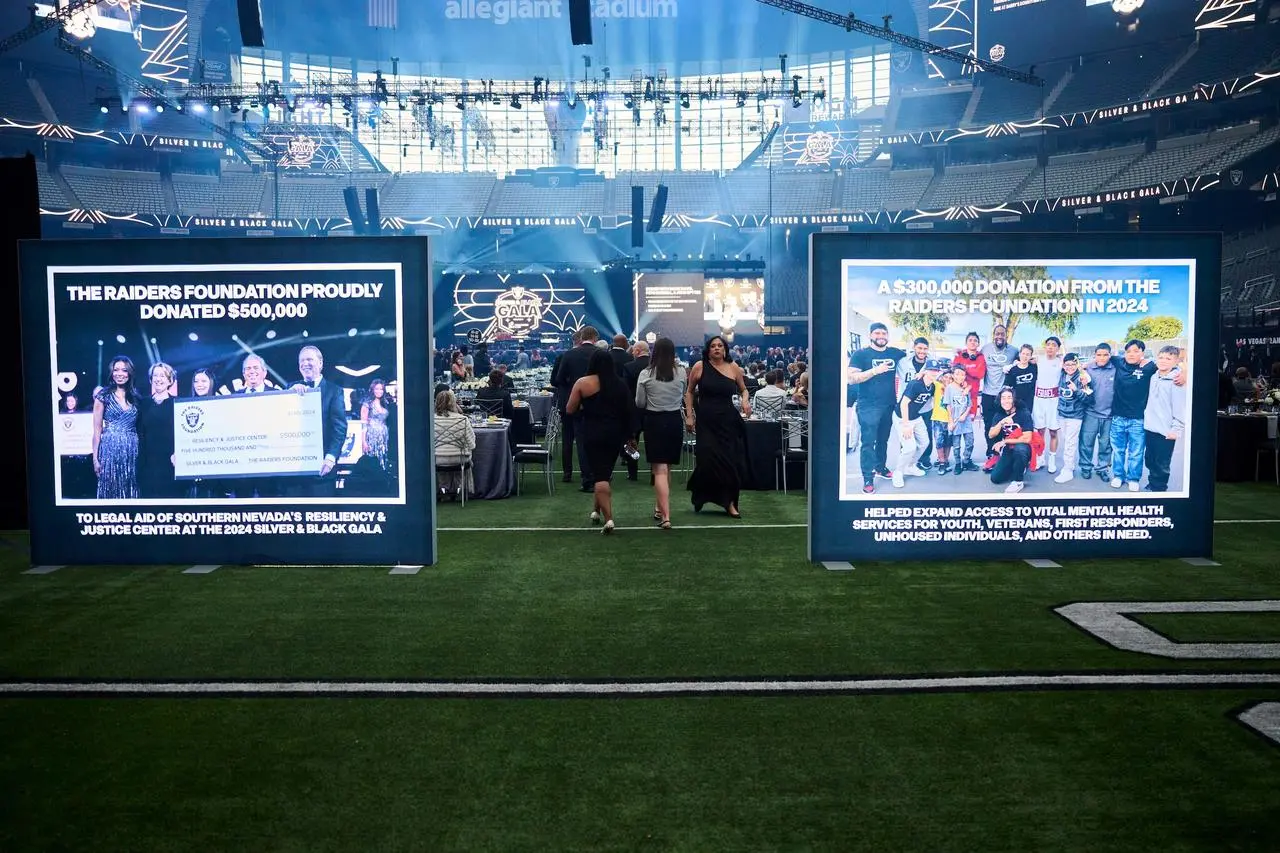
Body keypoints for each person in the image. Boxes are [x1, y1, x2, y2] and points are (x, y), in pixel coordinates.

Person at [567, 349, 632, 535]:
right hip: (615, 434)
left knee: (600, 476)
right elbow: (628, 412)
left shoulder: (583, 383)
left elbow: (569, 409)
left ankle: (609, 518)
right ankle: (596, 511)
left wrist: (583, 407)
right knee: (604, 471)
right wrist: (630, 436)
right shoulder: (619, 384)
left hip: (592, 432)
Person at [685, 335, 751, 517]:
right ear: (708, 349)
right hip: (706, 421)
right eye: (713, 346)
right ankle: (701, 494)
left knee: (729, 462)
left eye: (720, 346)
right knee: (706, 460)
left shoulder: (733, 367)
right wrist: (690, 416)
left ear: (725, 349)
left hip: (728, 421)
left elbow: (743, 389)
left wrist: (745, 401)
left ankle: (729, 503)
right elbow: (689, 393)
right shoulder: (700, 367)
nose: (716, 348)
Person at [847, 322, 906, 493]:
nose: (881, 336)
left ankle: (880, 467)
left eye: (884, 333)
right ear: (870, 335)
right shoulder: (861, 354)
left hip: (888, 404)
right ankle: (867, 478)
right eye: (877, 333)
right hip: (868, 406)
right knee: (868, 443)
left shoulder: (894, 353)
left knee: (883, 440)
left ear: (888, 336)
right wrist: (875, 371)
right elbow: (851, 378)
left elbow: (913, 360)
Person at [635, 337, 686, 529]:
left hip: (654, 422)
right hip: (673, 421)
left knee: (659, 469)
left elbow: (639, 403)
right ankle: (659, 507)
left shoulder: (646, 373)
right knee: (667, 468)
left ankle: (665, 515)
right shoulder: (681, 372)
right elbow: (682, 394)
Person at [286, 345, 349, 498]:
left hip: (322, 469)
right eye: (302, 360)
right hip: (294, 471)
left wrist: (330, 458)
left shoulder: (335, 391)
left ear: (320, 363)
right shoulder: (290, 388)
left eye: (309, 359)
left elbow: (339, 429)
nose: (305, 363)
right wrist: (288, 396)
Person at [552, 326, 601, 492]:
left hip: (570, 403)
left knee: (569, 438)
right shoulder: (600, 354)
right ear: (594, 338)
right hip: (595, 403)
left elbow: (558, 379)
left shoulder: (569, 355)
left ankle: (569, 473)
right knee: (592, 440)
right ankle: (594, 476)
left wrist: (573, 386)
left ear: (581, 337)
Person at [1108, 339, 1159, 492]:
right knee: (1118, 450)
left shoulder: (1150, 366)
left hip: (1138, 419)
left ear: (1142, 353)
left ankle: (1133, 478)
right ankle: (1118, 476)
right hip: (1118, 417)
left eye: (1136, 351)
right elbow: (1099, 358)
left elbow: (1172, 367)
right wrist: (1084, 366)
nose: (1131, 354)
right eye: (1129, 351)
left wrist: (1181, 374)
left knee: (1136, 452)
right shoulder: (1119, 362)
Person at [892, 358, 945, 488]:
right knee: (910, 447)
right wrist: (905, 425)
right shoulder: (915, 384)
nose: (934, 372)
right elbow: (904, 403)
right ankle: (898, 472)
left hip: (916, 417)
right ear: (925, 370)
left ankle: (910, 466)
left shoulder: (932, 386)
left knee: (925, 443)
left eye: (936, 370)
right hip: (902, 417)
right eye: (931, 370)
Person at [92, 355, 140, 500]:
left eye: (124, 370)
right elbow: (97, 430)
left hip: (132, 450)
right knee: (110, 487)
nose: (120, 374)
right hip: (109, 449)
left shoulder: (135, 396)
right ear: (111, 373)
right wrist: (95, 458)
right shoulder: (103, 396)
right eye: (116, 370)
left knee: (130, 487)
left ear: (129, 373)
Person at [1143, 346, 1187, 493]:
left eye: (1168, 358)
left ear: (1175, 361)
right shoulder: (1154, 376)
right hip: (1150, 428)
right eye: (1161, 357)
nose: (1163, 361)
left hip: (1166, 431)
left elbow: (1180, 407)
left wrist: (1176, 429)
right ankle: (1152, 482)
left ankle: (1159, 488)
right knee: (1150, 459)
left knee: (1162, 463)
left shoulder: (1177, 381)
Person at [137, 362, 181, 499]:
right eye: (155, 375)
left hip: (171, 462)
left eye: (162, 376)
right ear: (151, 379)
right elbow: (140, 432)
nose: (158, 379)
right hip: (148, 463)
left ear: (170, 380)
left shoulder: (178, 403)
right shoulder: (143, 403)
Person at [1077, 344, 1117, 481]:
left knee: (1106, 445)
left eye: (1105, 354)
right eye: (1099, 355)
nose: (1102, 357)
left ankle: (1102, 468)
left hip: (1109, 415)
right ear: (1094, 355)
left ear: (1110, 355)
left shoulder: (1116, 369)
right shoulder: (1087, 369)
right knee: (1086, 443)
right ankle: (1086, 467)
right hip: (1091, 413)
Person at [1053, 353, 1093, 485]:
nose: (1070, 367)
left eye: (1073, 364)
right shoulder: (1062, 374)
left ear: (1077, 364)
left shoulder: (1083, 378)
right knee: (1067, 441)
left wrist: (1077, 390)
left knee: (1070, 443)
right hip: (1062, 413)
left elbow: (1089, 399)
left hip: (1075, 415)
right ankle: (1069, 465)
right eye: (1067, 364)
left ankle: (1068, 470)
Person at [988, 388, 1035, 494]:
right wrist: (1001, 422)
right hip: (1008, 449)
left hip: (1024, 447)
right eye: (1003, 398)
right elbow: (991, 435)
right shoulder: (999, 415)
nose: (1006, 401)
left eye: (1009, 397)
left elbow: (1027, 438)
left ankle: (1018, 481)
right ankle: (1017, 466)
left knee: (1020, 449)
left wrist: (1004, 442)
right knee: (995, 478)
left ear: (1014, 400)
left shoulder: (1023, 413)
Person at [433, 389, 475, 498]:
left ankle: (443, 489)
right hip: (459, 459)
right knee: (467, 455)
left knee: (439, 459)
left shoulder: (430, 420)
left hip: (437, 459)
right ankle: (459, 488)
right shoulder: (463, 419)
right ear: (454, 402)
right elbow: (472, 444)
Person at [979, 325, 1012, 459]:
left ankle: (1004, 451)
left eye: (1002, 334)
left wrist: (1033, 359)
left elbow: (1023, 358)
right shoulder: (985, 349)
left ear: (1006, 336)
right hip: (987, 394)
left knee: (1005, 424)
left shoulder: (1013, 350)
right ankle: (991, 452)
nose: (999, 336)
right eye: (997, 334)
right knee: (989, 424)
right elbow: (972, 357)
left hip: (1003, 395)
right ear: (994, 335)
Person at [1032, 336, 1064, 474]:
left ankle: (1051, 460)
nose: (1050, 347)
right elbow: (1022, 360)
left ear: (1058, 348)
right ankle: (1040, 458)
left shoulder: (1061, 362)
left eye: (1054, 345)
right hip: (1039, 399)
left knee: (1053, 431)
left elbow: (1078, 367)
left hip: (1053, 400)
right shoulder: (1038, 360)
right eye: (1048, 344)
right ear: (1045, 347)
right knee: (1039, 431)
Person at [945, 365, 977, 475]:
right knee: (956, 445)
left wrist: (965, 415)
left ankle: (967, 461)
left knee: (970, 442)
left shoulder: (965, 388)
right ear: (953, 375)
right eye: (957, 374)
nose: (960, 376)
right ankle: (958, 464)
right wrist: (950, 421)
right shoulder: (949, 388)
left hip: (965, 420)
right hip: (955, 421)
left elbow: (969, 404)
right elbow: (948, 405)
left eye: (963, 374)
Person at [360, 378, 394, 474]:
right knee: (372, 460)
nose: (379, 391)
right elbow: (363, 424)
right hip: (371, 436)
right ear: (372, 390)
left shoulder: (385, 403)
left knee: (383, 459)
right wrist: (364, 442)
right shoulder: (367, 404)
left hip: (383, 437)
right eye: (377, 389)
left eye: (381, 389)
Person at [1003, 344, 1037, 412]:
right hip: (1017, 404)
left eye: (1027, 354)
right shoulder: (1012, 370)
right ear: (1019, 354)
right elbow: (1007, 388)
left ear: (1030, 356)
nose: (1025, 356)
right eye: (1023, 353)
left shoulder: (1034, 368)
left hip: (1031, 404)